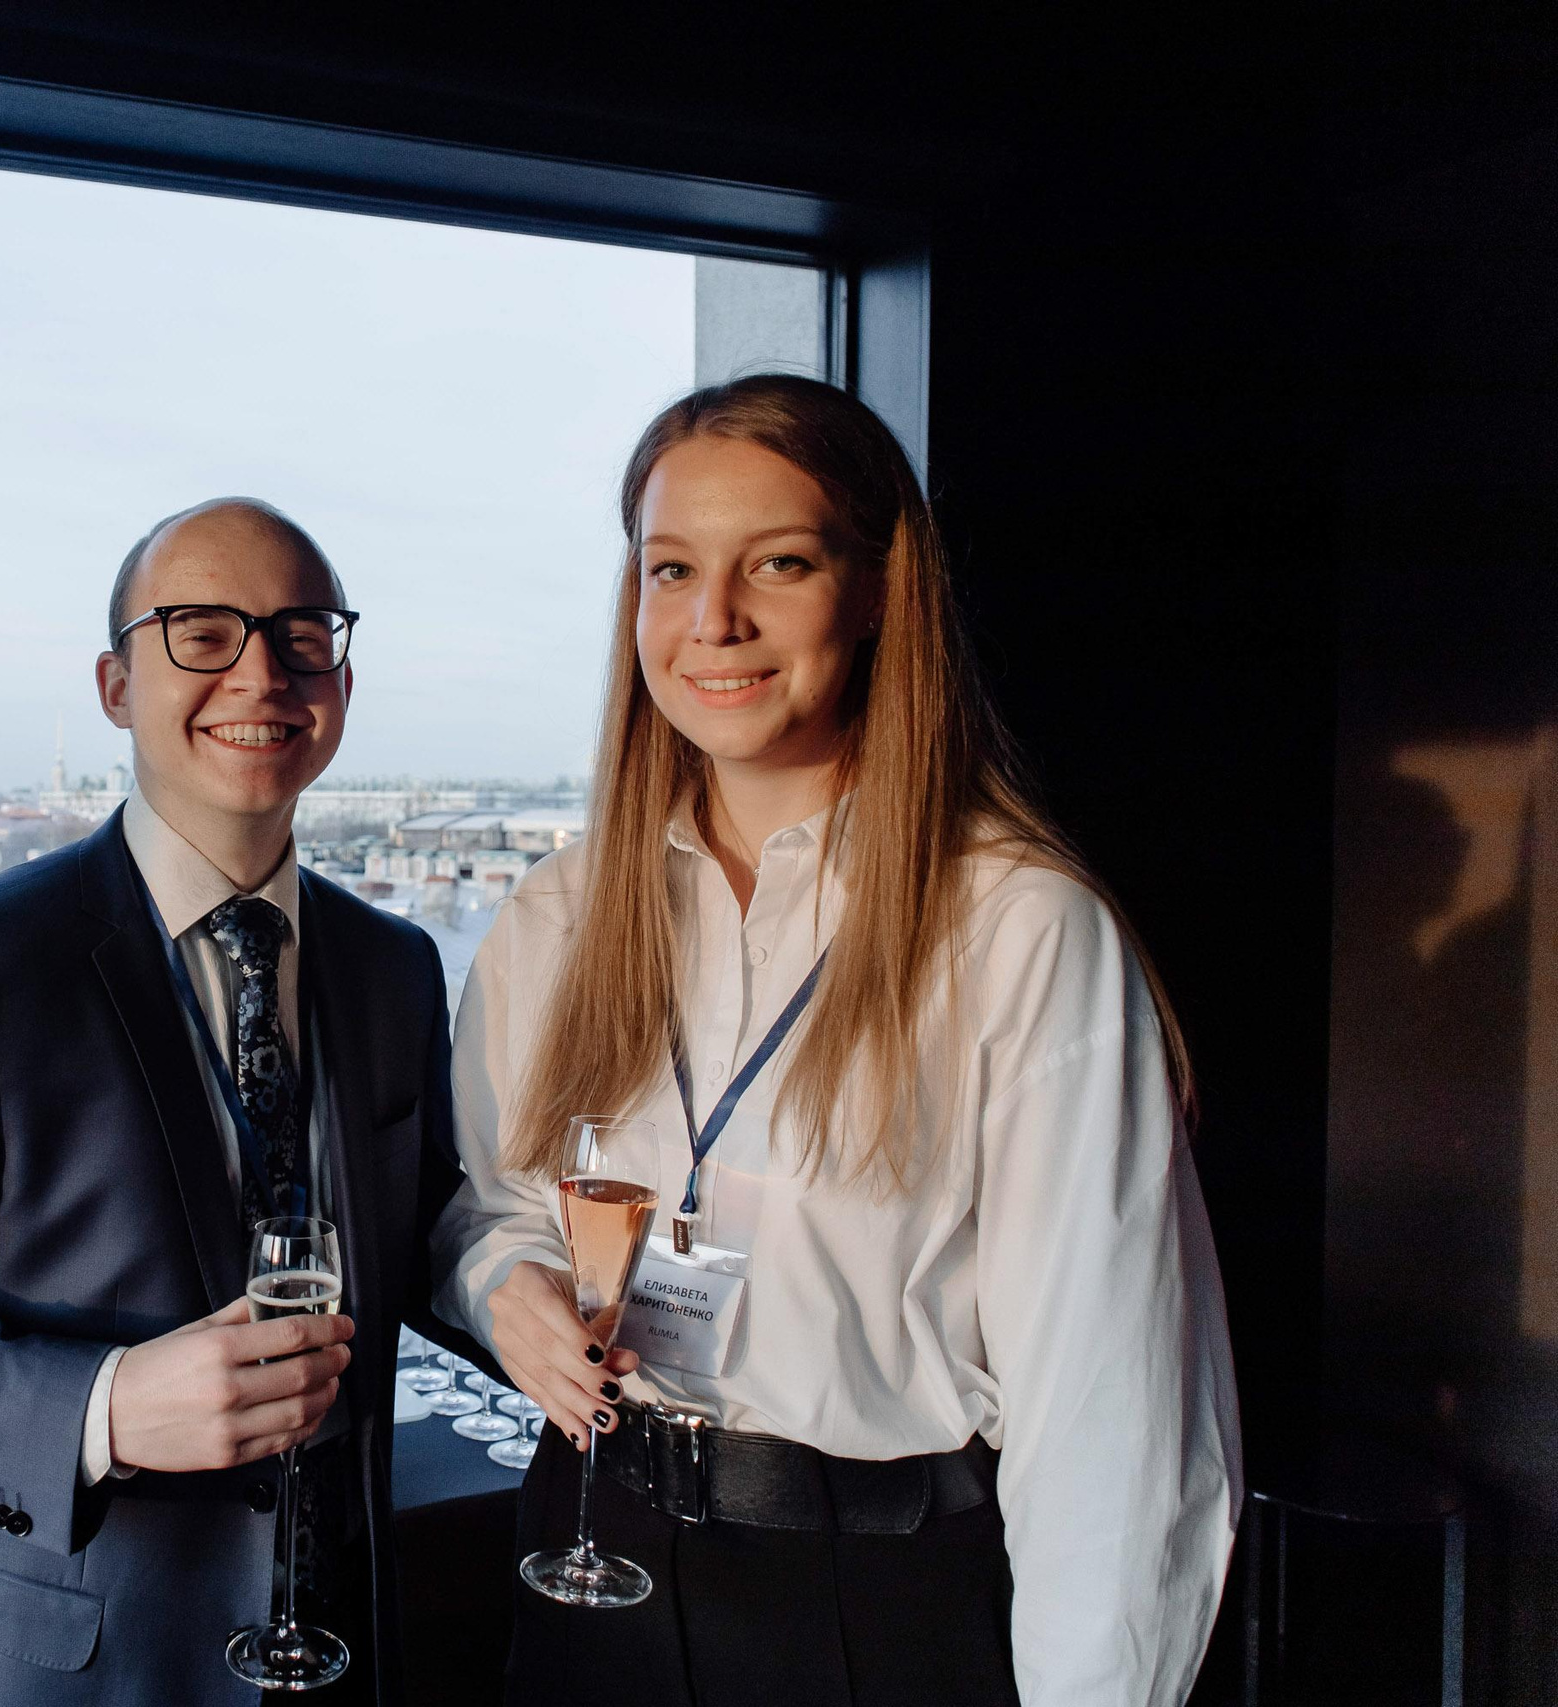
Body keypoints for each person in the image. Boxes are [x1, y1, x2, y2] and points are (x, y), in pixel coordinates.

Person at [433, 375, 1241, 1707]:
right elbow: (495, 1206)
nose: (714, 619)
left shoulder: (1017, 929)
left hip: (868, 1609)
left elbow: (1113, 1422)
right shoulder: (558, 913)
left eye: (780, 563)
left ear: (875, 591)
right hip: (591, 1560)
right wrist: (500, 1282)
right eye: (672, 568)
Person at [0, 498, 464, 1706]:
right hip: (56, 1672)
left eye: (300, 636)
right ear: (116, 687)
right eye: (202, 633)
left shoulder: (394, 965)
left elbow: (425, 1237)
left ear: (340, 680)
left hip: (336, 1649)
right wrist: (105, 1407)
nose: (261, 674)